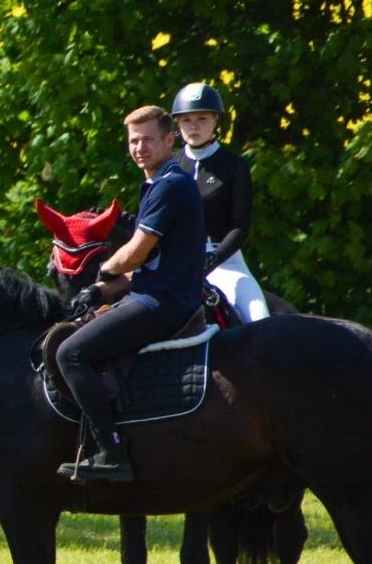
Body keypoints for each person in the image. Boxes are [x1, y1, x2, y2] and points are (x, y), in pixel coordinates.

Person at [56, 105, 206, 482]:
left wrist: (104, 269)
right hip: (152, 293)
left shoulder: (170, 184)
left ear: (170, 140)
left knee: (70, 353)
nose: (140, 147)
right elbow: (146, 266)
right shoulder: (159, 184)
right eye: (133, 141)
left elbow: (136, 252)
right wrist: (97, 290)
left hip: (161, 305)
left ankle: (109, 450)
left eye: (148, 139)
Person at [172, 82, 268, 323]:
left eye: (202, 119)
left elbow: (240, 227)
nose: (193, 126)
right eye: (186, 120)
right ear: (177, 124)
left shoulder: (234, 166)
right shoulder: (169, 165)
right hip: (174, 259)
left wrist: (213, 258)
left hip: (223, 261)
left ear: (216, 120)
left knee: (259, 317)